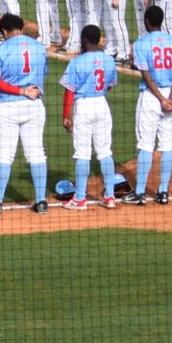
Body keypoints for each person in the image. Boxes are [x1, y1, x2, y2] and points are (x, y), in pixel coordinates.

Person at [0, 14, 52, 216]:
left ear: (4, 31)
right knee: (36, 153)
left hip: (7, 107)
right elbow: (43, 75)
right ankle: (41, 202)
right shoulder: (39, 47)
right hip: (33, 105)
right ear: (21, 28)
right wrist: (28, 89)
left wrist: (20, 90)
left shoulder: (1, 49)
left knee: (4, 154)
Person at [126, 6, 172, 206]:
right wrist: (170, 99)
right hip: (171, 98)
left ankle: (140, 193)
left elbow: (146, 75)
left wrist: (160, 99)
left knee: (145, 144)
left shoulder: (141, 44)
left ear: (147, 22)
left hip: (152, 97)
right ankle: (163, 192)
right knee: (167, 144)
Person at [59, 24, 121, 210]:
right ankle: (110, 197)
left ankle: (79, 199)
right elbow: (110, 84)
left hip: (84, 106)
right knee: (104, 151)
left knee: (82, 153)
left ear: (84, 40)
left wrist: (66, 116)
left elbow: (69, 92)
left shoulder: (77, 62)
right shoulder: (109, 60)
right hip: (102, 104)